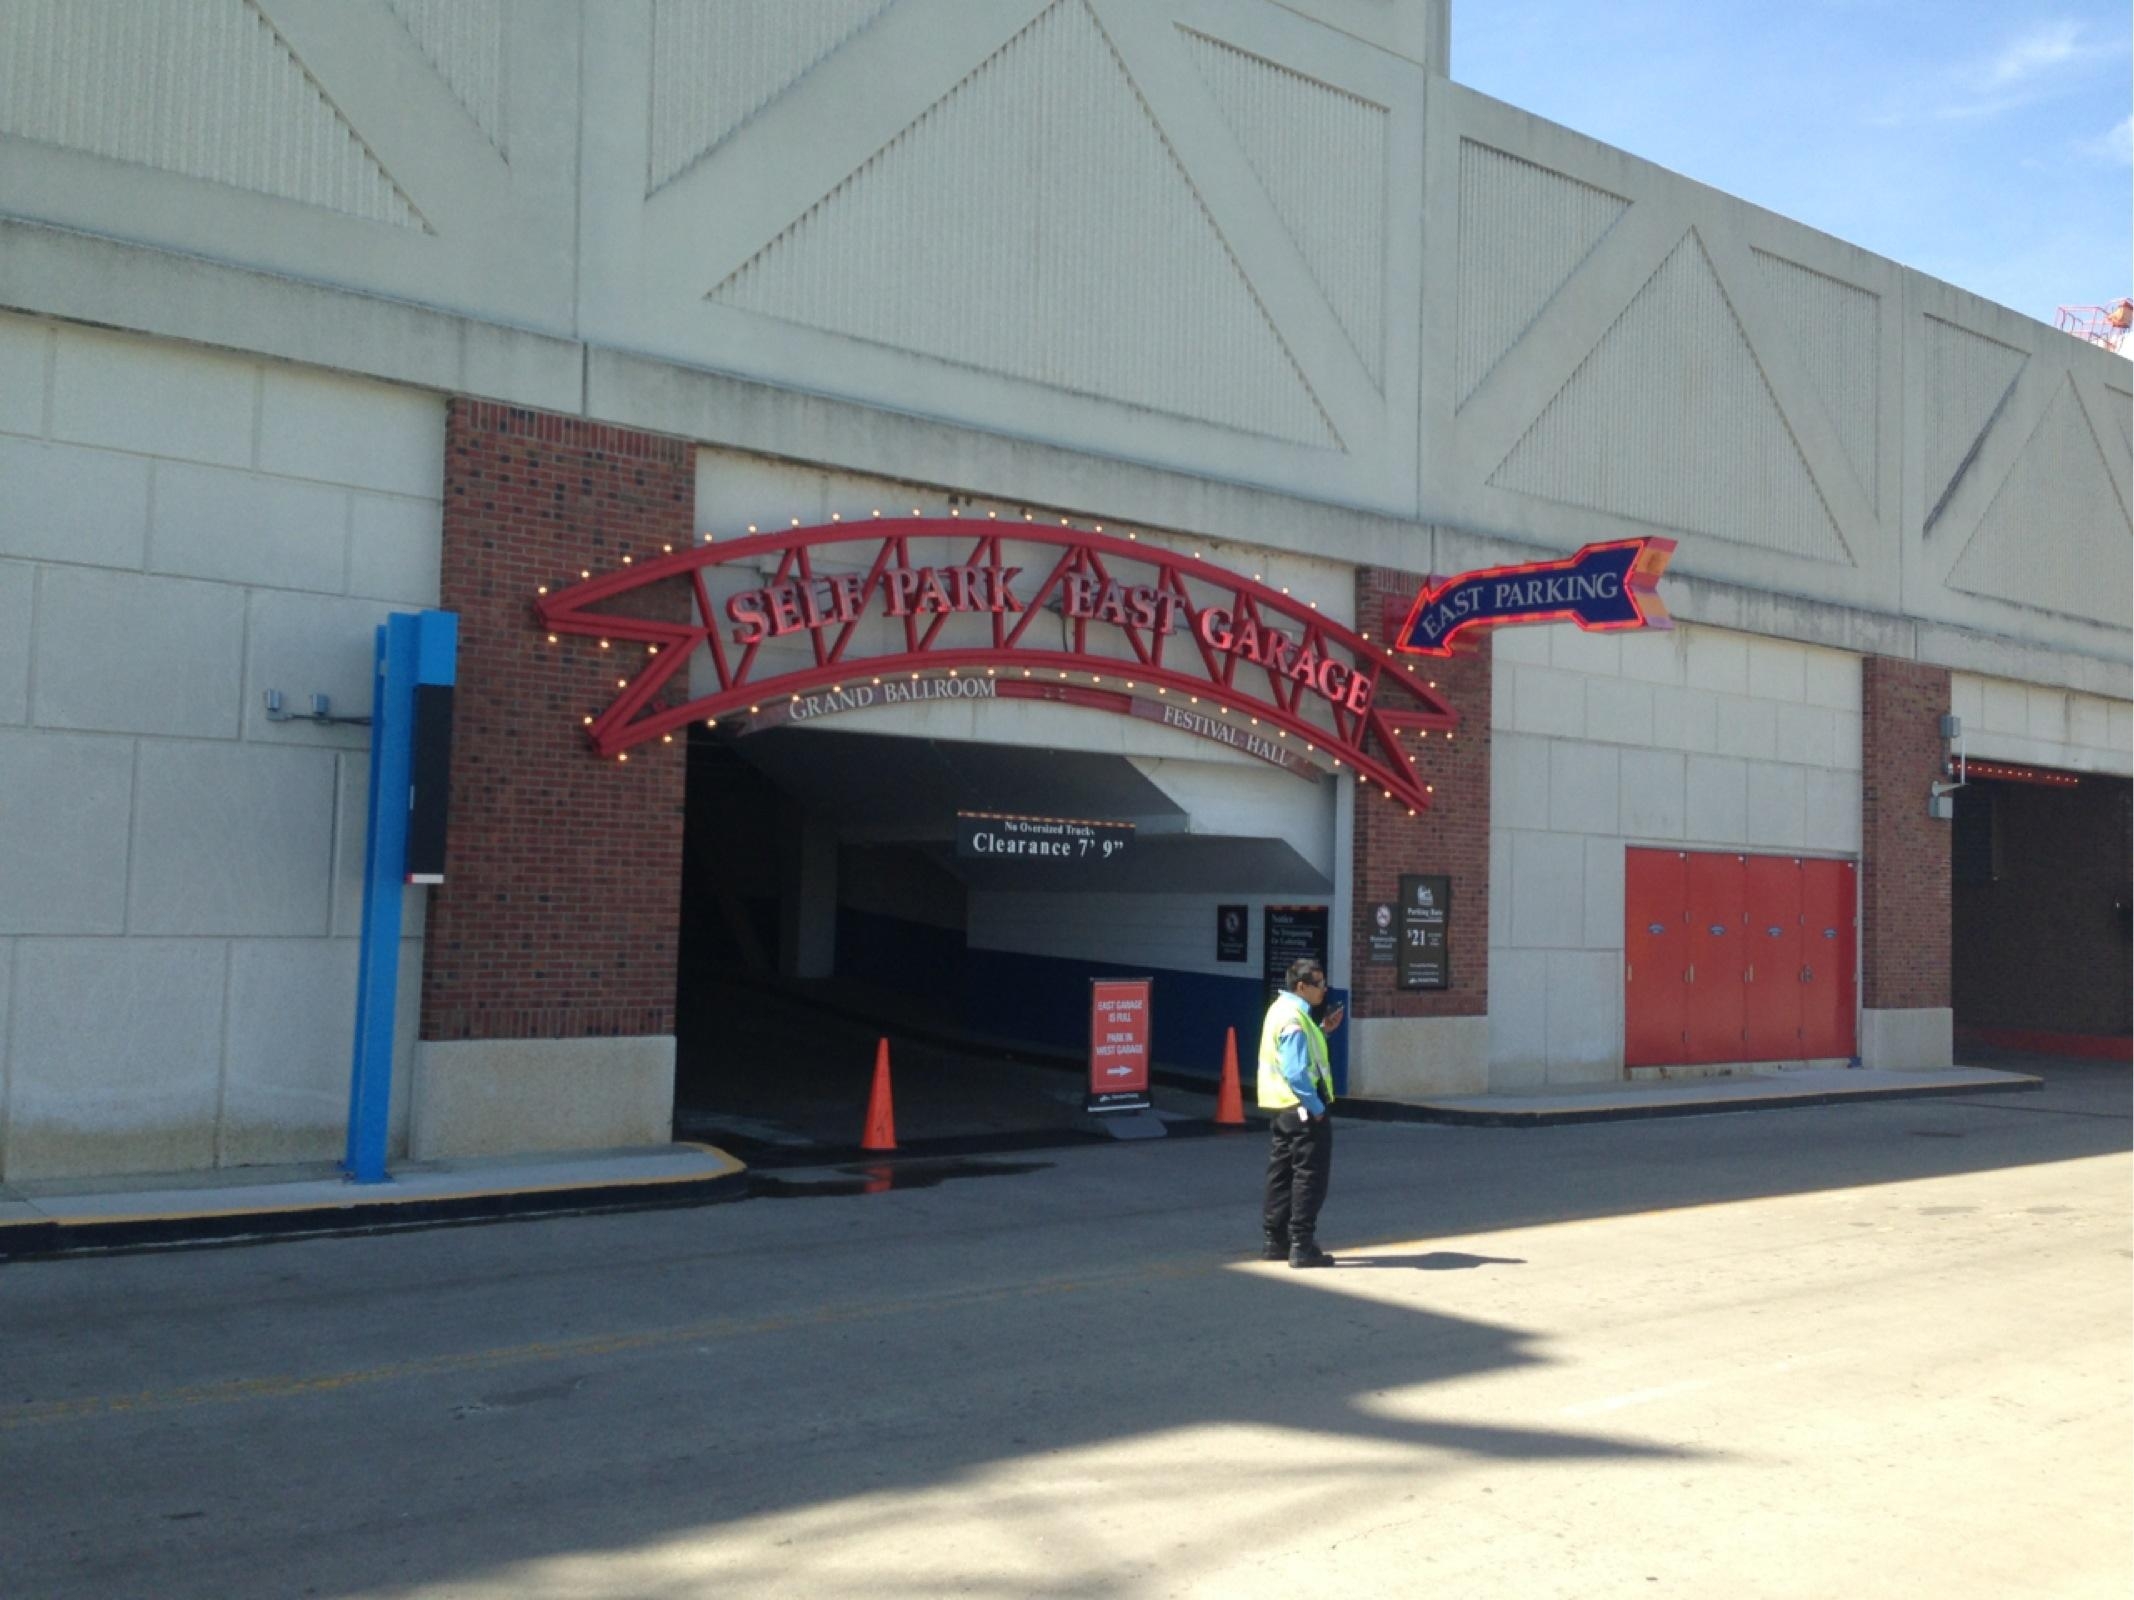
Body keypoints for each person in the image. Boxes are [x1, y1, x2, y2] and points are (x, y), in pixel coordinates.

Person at [1257, 957, 1343, 1267]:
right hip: (1302, 1107)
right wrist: (1316, 1107)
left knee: (1281, 1172)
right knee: (1310, 1176)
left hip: (1281, 1107)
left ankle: (1274, 1240)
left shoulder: (1281, 1010)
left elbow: (1299, 1054)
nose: (1324, 990)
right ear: (1302, 986)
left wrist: (1324, 1031)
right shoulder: (1293, 1017)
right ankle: (1301, 1244)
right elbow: (1295, 1072)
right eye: (1319, 984)